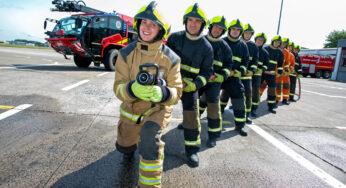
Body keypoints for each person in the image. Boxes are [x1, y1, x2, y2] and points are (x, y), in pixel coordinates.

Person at [113, 2, 182, 187]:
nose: (147, 27)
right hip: (131, 109)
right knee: (125, 146)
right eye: (144, 22)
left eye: (153, 24)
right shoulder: (125, 53)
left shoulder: (172, 59)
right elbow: (118, 86)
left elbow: (177, 91)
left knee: (150, 141)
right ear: (137, 25)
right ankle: (127, 148)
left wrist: (164, 92)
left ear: (161, 30)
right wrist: (131, 89)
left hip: (157, 110)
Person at [166, 3, 213, 167]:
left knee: (192, 116)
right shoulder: (174, 38)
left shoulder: (207, 47)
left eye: (197, 21)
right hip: (170, 83)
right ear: (185, 21)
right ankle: (142, 142)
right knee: (153, 108)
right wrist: (173, 80)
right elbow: (163, 62)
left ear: (202, 25)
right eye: (190, 20)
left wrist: (194, 85)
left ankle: (192, 151)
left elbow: (207, 73)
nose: (193, 24)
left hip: (190, 87)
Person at [199, 16, 233, 147]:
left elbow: (228, 65)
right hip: (198, 79)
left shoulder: (225, 47)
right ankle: (189, 123)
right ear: (210, 26)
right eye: (215, 27)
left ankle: (213, 135)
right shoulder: (200, 41)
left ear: (223, 31)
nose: (217, 30)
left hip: (214, 81)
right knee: (193, 102)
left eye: (220, 29)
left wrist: (221, 76)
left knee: (213, 106)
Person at [220, 19, 249, 136]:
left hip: (233, 78)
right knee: (205, 98)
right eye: (233, 29)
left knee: (239, 99)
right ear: (229, 30)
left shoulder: (243, 45)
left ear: (240, 32)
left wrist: (240, 71)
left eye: (238, 30)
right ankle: (193, 121)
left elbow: (245, 61)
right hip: (220, 76)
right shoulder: (221, 42)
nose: (235, 31)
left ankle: (240, 125)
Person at [259, 35, 284, 114]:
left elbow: (280, 64)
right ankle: (251, 105)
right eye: (276, 42)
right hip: (262, 73)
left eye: (279, 43)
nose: (277, 43)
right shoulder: (265, 49)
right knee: (255, 88)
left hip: (272, 74)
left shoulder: (280, 52)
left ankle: (271, 106)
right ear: (272, 41)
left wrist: (280, 72)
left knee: (272, 90)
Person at [241, 23, 258, 123]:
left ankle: (247, 115)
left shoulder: (253, 46)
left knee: (248, 94)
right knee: (226, 93)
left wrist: (251, 70)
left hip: (247, 76)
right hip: (236, 74)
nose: (247, 35)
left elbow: (255, 61)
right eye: (246, 33)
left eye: (249, 33)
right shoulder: (238, 43)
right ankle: (221, 109)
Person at [251, 32, 269, 117]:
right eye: (258, 39)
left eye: (262, 40)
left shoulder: (265, 52)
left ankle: (254, 108)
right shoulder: (249, 48)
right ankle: (241, 106)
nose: (260, 41)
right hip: (248, 74)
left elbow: (266, 64)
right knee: (244, 91)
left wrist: (262, 69)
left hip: (257, 75)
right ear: (255, 39)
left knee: (255, 92)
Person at [276, 37, 293, 105]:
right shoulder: (276, 50)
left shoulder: (287, 52)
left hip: (284, 73)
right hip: (276, 71)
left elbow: (287, 63)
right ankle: (275, 99)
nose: (284, 44)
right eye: (283, 43)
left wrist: (287, 70)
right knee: (277, 86)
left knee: (286, 86)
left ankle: (285, 99)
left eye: (285, 43)